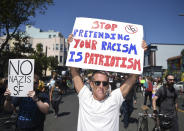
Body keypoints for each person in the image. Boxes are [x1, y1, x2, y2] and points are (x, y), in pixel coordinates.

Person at [67, 34, 147, 131]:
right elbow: (74, 72)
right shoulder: (85, 97)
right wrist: (72, 46)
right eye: (97, 83)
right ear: (91, 84)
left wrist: (140, 52)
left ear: (108, 86)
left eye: (104, 83)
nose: (101, 86)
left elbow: (133, 77)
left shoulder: (114, 99)